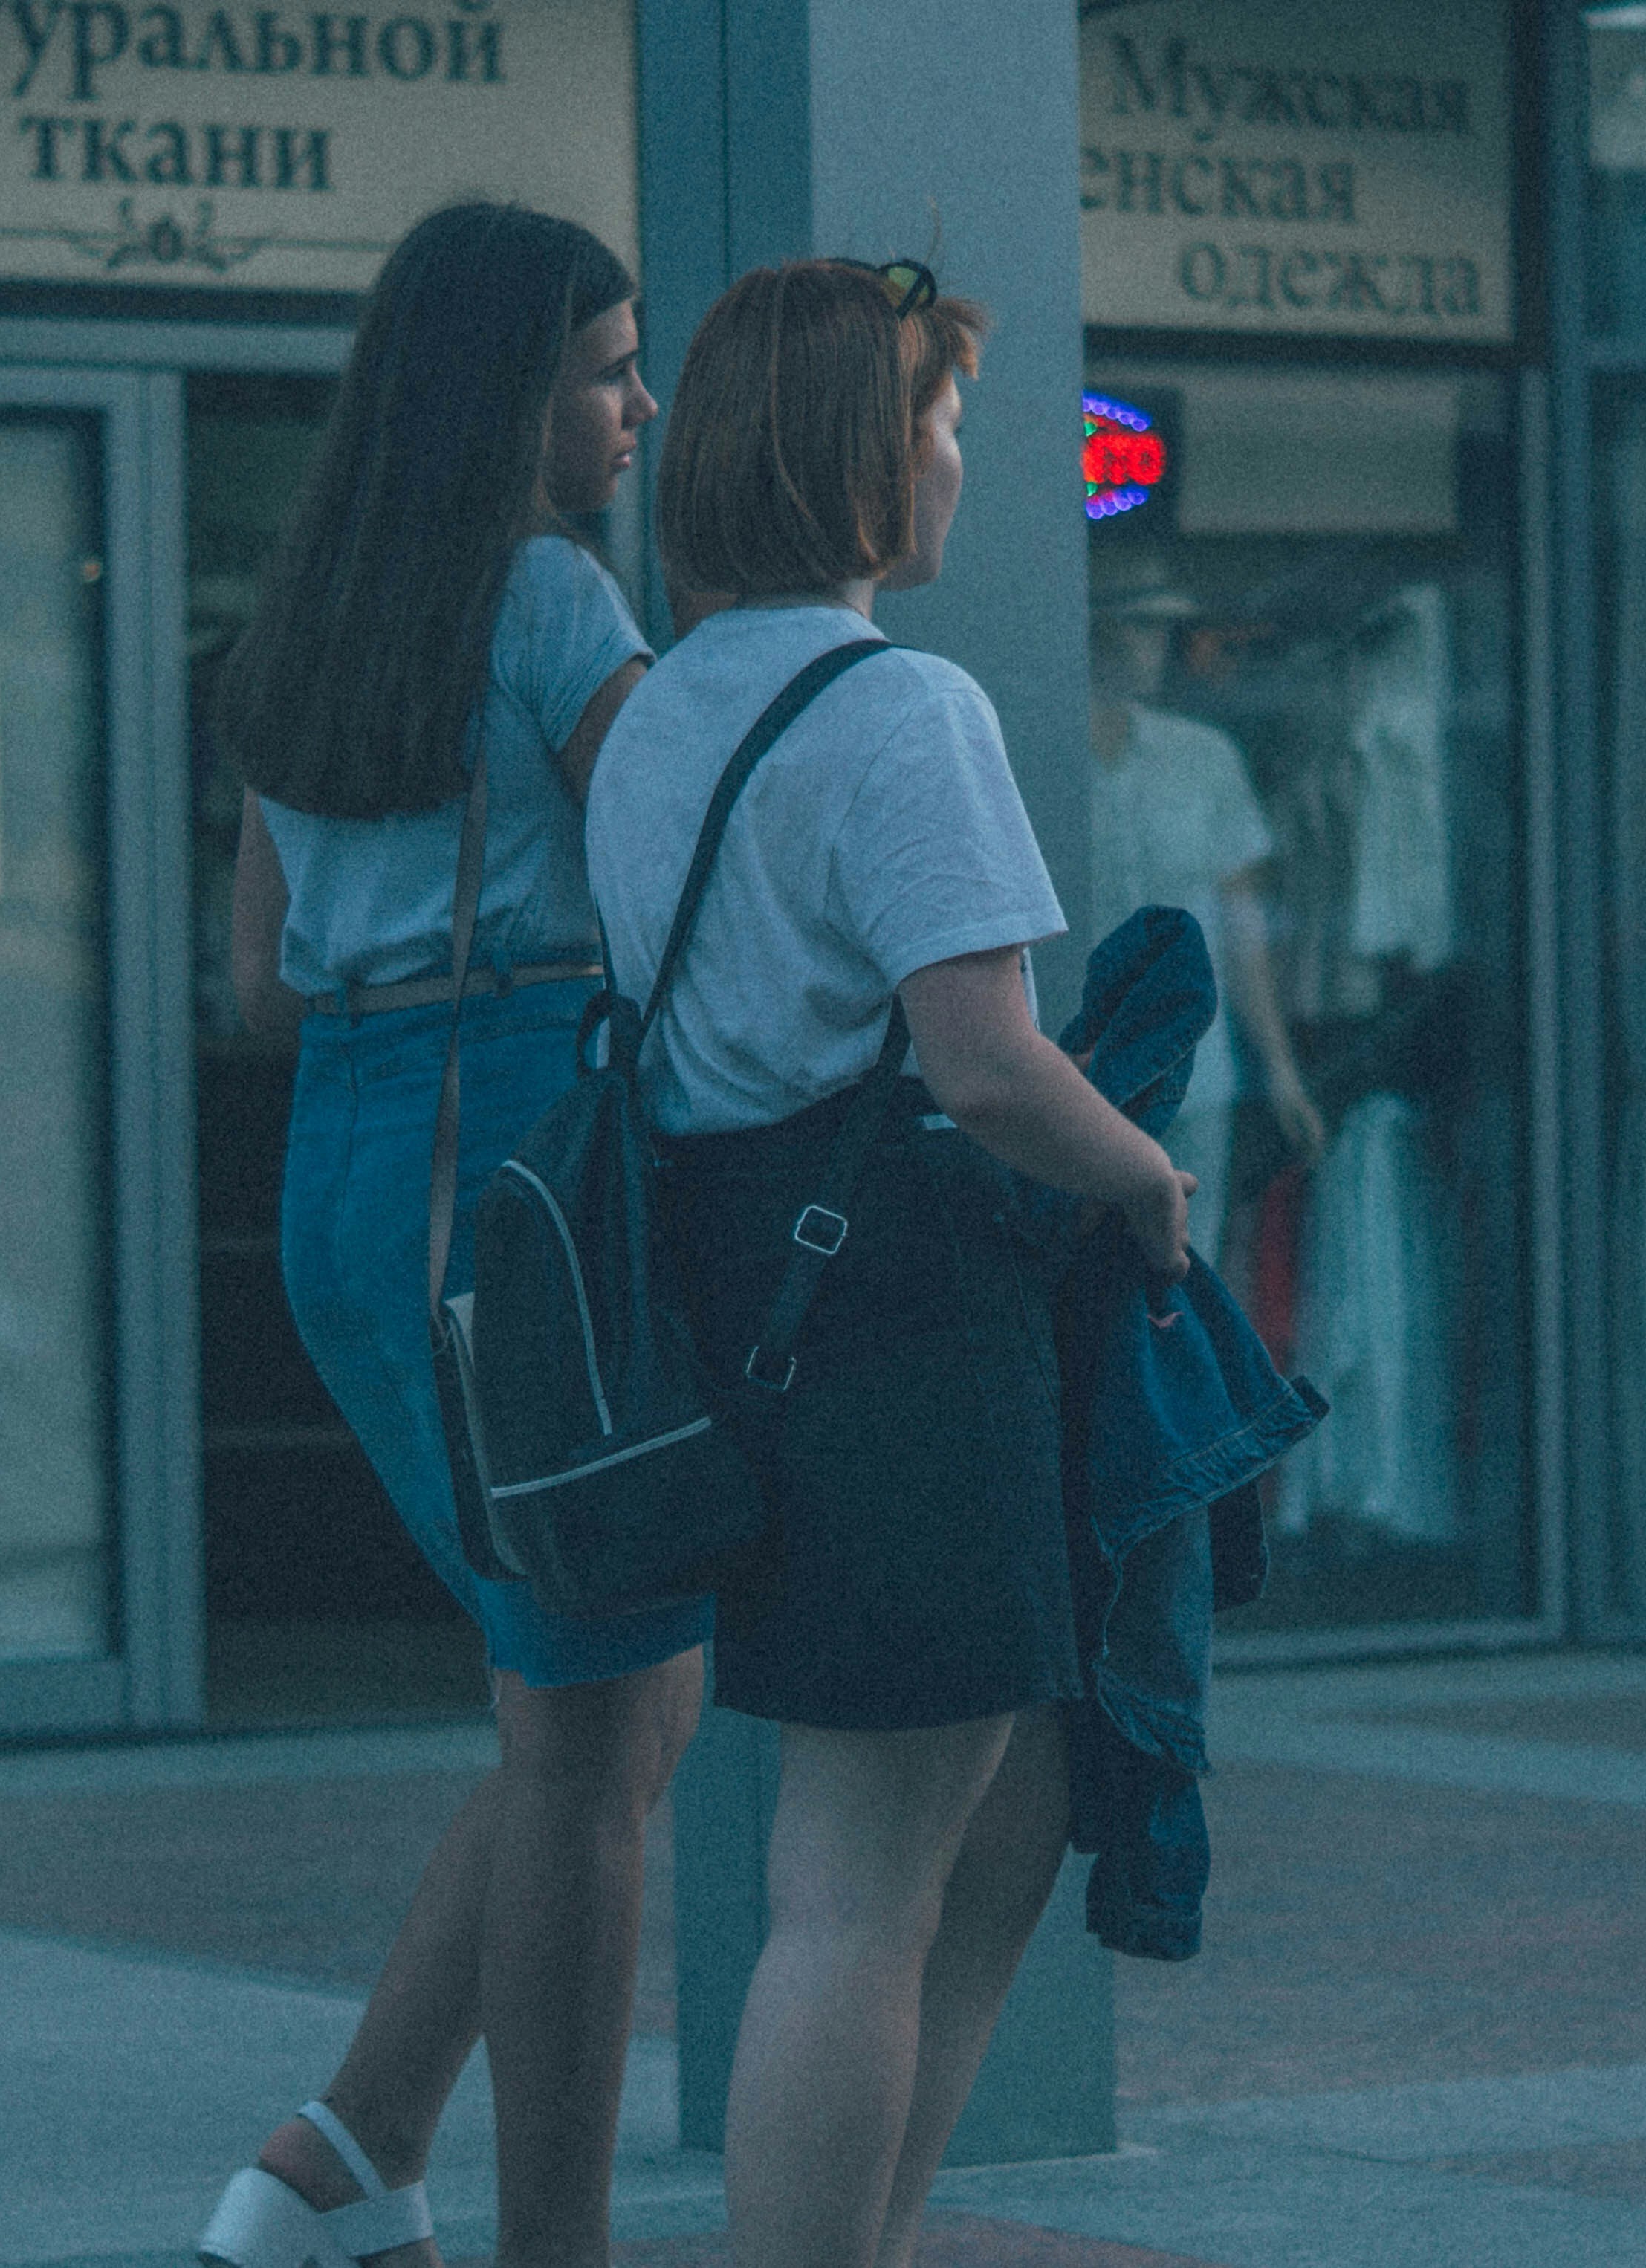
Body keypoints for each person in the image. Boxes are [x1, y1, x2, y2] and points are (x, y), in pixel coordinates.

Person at [584, 258, 1191, 2268]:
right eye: (937, 418)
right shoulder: (901, 709)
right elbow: (987, 1062)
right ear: (856, 448)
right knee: (854, 1878)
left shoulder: (668, 705)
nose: (957, 455)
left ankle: (871, 2228)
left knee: (982, 1810)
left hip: (751, 1301)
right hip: (903, 1322)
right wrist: (1151, 1183)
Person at [196, 201, 691, 2268]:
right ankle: (541, 2246)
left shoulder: (302, 624)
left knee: (579, 1711)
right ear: (513, 393)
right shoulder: (556, 604)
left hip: (346, 1173)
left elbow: (266, 992)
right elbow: (684, 870)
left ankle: (344, 2151)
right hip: (519, 1173)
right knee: (589, 1732)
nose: (639, 406)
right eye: (605, 367)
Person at [1083, 548, 1324, 1242]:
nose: (1158, 645)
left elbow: (1244, 924)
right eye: (1140, 626)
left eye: (1164, 627)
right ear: (1097, 630)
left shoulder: (1205, 758)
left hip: (1196, 1067)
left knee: (1193, 1258)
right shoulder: (1039, 752)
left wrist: (1279, 1068)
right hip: (1076, 1067)